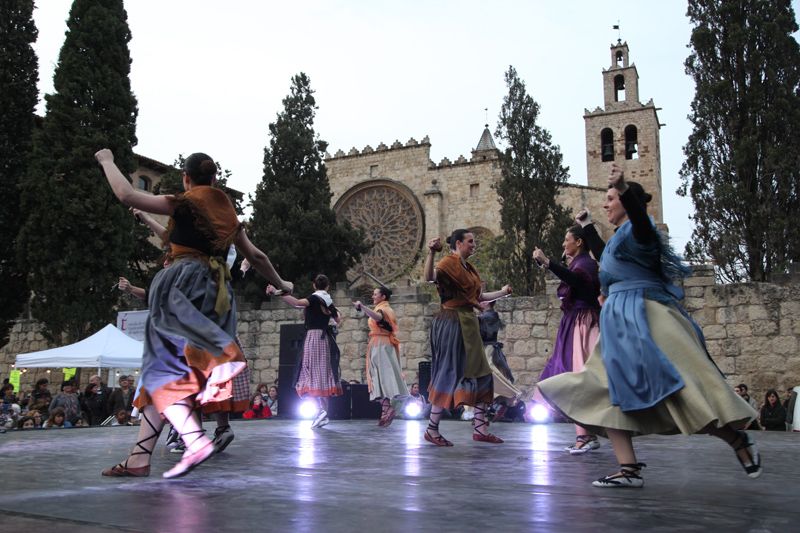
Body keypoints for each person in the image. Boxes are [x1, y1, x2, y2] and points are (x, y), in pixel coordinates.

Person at [537, 163, 761, 487]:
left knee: (680, 392)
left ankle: (737, 439)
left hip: (645, 318)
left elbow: (640, 223)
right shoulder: (619, 240)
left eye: (611, 198)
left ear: (627, 203)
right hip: (617, 323)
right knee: (602, 390)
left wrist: (624, 188)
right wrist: (587, 227)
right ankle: (628, 469)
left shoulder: (643, 232)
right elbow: (608, 259)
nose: (606, 204)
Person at [95, 149, 292, 479]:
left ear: (186, 179)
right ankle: (145, 454)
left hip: (181, 286)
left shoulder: (183, 203)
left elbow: (125, 193)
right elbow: (256, 256)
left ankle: (158, 450)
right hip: (216, 294)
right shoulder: (226, 211)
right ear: (214, 179)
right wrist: (282, 282)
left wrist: (106, 161)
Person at [422, 230, 512, 446]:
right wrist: (431, 253)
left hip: (468, 324)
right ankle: (432, 430)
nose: (474, 245)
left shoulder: (469, 268)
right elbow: (429, 277)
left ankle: (480, 428)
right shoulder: (448, 262)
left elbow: (479, 297)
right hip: (452, 323)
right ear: (459, 243)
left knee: (483, 373)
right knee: (448, 372)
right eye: (470, 242)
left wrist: (502, 292)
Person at [533, 223, 602, 454]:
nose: (564, 244)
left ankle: (586, 436)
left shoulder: (587, 264)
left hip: (583, 324)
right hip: (575, 322)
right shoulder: (580, 263)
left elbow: (576, 281)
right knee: (574, 376)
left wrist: (548, 262)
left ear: (579, 242)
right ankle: (585, 435)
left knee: (579, 376)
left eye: (566, 239)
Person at [267, 274, 342, 429]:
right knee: (321, 376)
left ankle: (320, 411)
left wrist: (276, 292)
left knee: (307, 375)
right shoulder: (328, 301)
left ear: (314, 285)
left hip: (313, 338)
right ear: (327, 286)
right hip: (325, 340)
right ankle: (324, 414)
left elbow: (296, 303)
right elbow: (338, 318)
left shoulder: (314, 298)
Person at [353, 286, 409, 427]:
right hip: (379, 344)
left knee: (382, 376)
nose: (373, 296)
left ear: (383, 297)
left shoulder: (384, 309)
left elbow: (379, 318)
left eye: (375, 294)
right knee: (378, 376)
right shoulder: (382, 308)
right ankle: (385, 409)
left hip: (381, 345)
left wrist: (363, 307)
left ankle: (389, 408)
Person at [477, 300, 521, 422]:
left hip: (488, 350)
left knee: (490, 374)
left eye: (482, 302)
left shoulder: (489, 315)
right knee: (483, 379)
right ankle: (481, 415)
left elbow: (481, 332)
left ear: (487, 304)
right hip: (485, 349)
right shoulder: (486, 316)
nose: (479, 303)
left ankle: (510, 393)